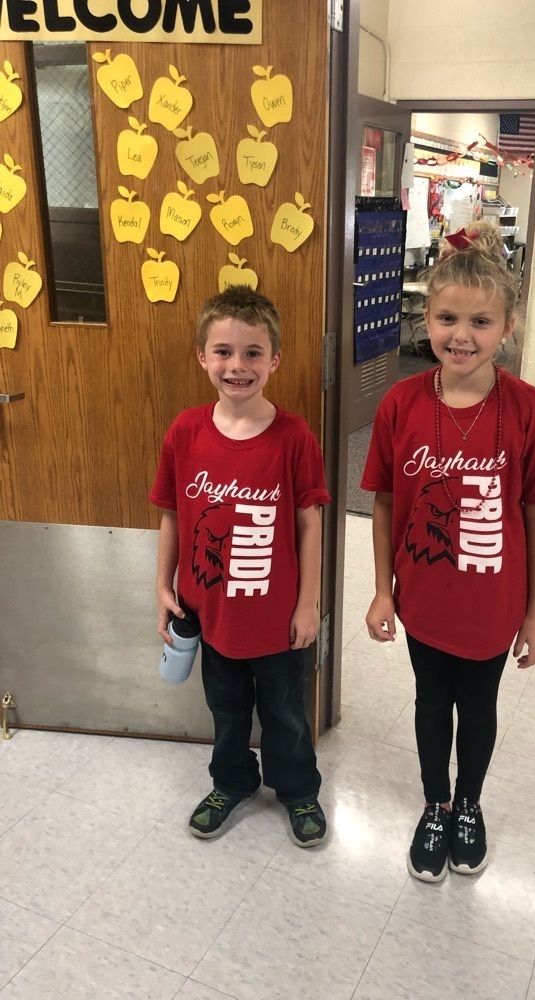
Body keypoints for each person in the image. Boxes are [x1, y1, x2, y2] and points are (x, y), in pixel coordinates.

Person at [361, 223, 535, 882]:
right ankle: (436, 804)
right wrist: (383, 590)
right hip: (423, 598)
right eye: (447, 318)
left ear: (507, 327)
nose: (461, 335)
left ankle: (469, 805)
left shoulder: (532, 411)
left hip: (493, 603)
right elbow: (386, 503)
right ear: (426, 320)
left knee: (477, 709)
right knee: (430, 704)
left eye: (481, 321)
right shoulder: (400, 403)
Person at [150, 287, 330, 847]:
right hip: (212, 616)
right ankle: (232, 781)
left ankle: (297, 790)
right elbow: (172, 515)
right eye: (223, 351)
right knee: (226, 710)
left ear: (275, 360)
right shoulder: (185, 432)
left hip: (277, 619)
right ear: (201, 357)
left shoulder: (294, 437)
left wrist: (309, 605)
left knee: (286, 713)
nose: (237, 365)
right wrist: (161, 586)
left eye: (253, 352)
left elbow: (309, 525)